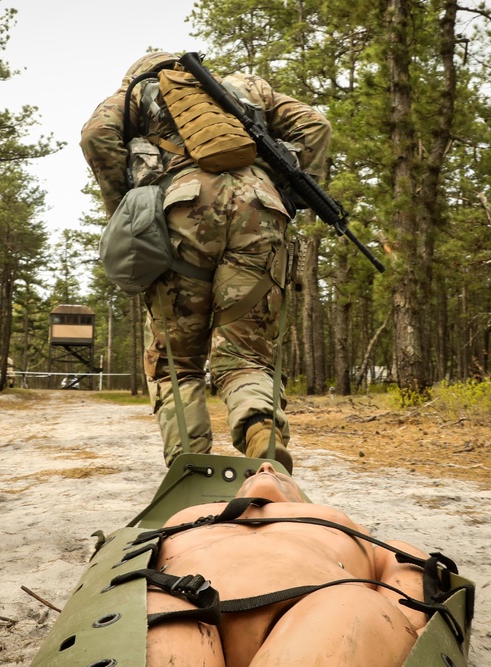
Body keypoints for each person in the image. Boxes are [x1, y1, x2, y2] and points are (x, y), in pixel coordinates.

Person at [80, 51, 333, 471]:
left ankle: (192, 469)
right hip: (261, 209)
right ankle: (261, 433)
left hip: (183, 213)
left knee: (175, 362)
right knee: (247, 353)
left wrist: (123, 207)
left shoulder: (139, 91)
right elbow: (315, 126)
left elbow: (96, 135)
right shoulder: (249, 87)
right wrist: (287, 190)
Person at [142, 461, 430, 667]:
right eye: (256, 473)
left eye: (282, 475)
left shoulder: (333, 519)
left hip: (322, 611)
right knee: (159, 633)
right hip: (185, 603)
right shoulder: (197, 514)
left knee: (349, 612)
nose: (266, 467)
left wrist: (412, 623)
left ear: (298, 498)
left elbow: (402, 562)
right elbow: (136, 558)